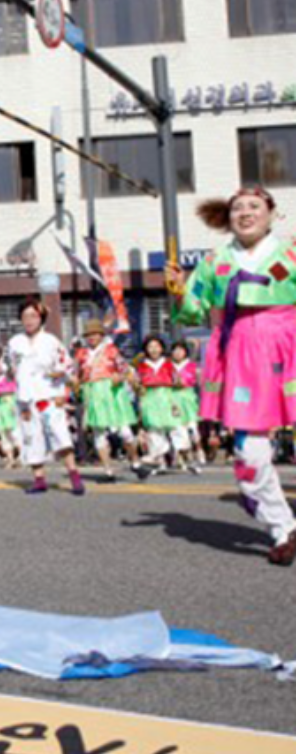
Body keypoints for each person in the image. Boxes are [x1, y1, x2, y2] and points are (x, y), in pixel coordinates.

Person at [166, 187, 296, 565]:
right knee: (248, 456)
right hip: (241, 356)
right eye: (238, 208)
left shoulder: (291, 253)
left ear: (271, 213)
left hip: (289, 347)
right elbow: (193, 310)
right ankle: (283, 527)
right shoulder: (215, 261)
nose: (245, 213)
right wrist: (178, 291)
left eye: (254, 206)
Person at [7, 298, 85, 496]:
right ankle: (39, 479)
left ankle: (74, 476)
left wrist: (62, 384)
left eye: (33, 316)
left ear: (41, 318)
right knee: (31, 436)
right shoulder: (15, 342)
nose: (29, 320)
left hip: (49, 395)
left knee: (59, 434)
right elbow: (12, 368)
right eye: (25, 316)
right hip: (25, 398)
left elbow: (67, 365)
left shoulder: (51, 341)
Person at [76, 319, 140, 480]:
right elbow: (76, 375)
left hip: (112, 392)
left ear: (101, 335)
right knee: (98, 433)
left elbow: (125, 369)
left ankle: (135, 461)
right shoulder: (81, 354)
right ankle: (108, 470)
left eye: (95, 333)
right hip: (92, 392)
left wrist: (120, 376)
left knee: (125, 432)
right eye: (89, 334)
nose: (92, 337)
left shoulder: (111, 350)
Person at [134, 334, 193, 475]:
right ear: (146, 349)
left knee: (176, 425)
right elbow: (137, 384)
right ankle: (160, 461)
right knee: (155, 429)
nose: (154, 349)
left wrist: (178, 385)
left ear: (161, 348)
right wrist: (138, 390)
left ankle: (183, 451)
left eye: (156, 346)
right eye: (150, 347)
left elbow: (178, 381)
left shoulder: (169, 364)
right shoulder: (141, 366)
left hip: (167, 396)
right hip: (150, 398)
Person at [170, 339, 204, 467]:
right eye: (175, 350)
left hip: (188, 399)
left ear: (185, 352)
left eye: (181, 350)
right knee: (176, 428)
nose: (177, 352)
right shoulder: (168, 366)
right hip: (173, 399)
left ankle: (198, 449)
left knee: (192, 427)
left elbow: (201, 383)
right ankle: (179, 455)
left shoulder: (192, 365)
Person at [0, 348, 21, 468]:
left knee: (13, 432)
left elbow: (14, 387)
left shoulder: (9, 375)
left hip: (9, 402)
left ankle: (21, 457)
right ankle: (10, 459)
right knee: (3, 434)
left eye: (0, 360)